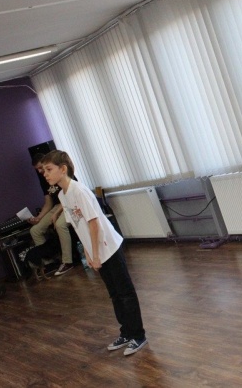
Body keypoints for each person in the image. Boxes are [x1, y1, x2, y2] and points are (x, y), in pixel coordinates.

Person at [40, 150, 147, 356]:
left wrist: (96, 254)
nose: (45, 174)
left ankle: (138, 335)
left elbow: (94, 223)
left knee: (125, 293)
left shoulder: (79, 191)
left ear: (63, 169)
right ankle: (126, 332)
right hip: (96, 251)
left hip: (109, 247)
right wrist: (88, 253)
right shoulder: (62, 195)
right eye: (44, 170)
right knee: (114, 294)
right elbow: (77, 227)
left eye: (49, 169)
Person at [28, 153, 74, 276]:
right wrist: (38, 218)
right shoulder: (43, 180)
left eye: (40, 168)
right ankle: (50, 262)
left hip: (68, 203)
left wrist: (57, 213)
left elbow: (67, 196)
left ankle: (67, 261)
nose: (40, 171)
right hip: (56, 206)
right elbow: (48, 202)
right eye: (37, 169)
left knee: (60, 225)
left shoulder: (60, 173)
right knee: (35, 230)